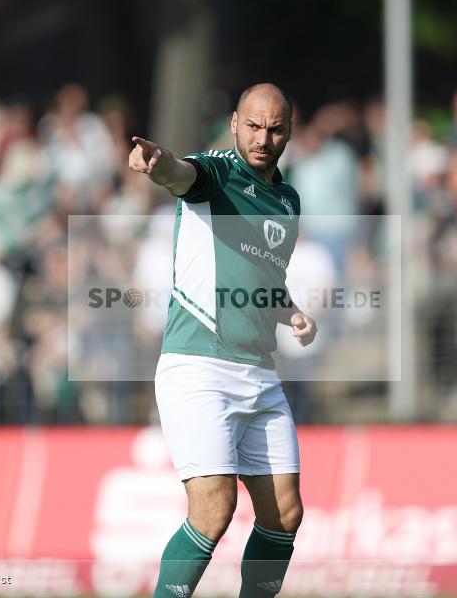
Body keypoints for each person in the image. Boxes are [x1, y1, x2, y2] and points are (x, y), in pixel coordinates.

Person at [127, 83, 315, 598]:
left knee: (285, 513)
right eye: (253, 126)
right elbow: (180, 173)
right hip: (199, 369)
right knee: (214, 508)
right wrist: (158, 162)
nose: (262, 138)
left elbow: (264, 280)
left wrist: (292, 312)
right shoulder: (216, 173)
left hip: (258, 371)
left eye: (274, 129)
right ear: (234, 123)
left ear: (289, 132)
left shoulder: (288, 200)